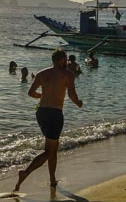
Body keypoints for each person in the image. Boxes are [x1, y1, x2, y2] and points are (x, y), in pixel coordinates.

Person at [13, 49, 83, 191]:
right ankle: (25, 173)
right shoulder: (68, 74)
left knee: (53, 148)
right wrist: (79, 103)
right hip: (54, 114)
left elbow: (31, 93)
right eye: (65, 60)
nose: (67, 62)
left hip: (41, 113)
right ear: (60, 60)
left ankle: (52, 179)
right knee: (49, 151)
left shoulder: (41, 73)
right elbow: (71, 94)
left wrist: (44, 96)